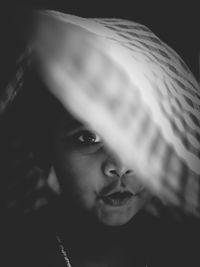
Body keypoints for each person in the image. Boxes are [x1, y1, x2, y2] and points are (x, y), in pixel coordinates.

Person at [1, 9, 200, 267]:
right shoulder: (16, 251)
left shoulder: (183, 247)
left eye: (137, 135)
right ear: (42, 149)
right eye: (87, 138)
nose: (120, 166)